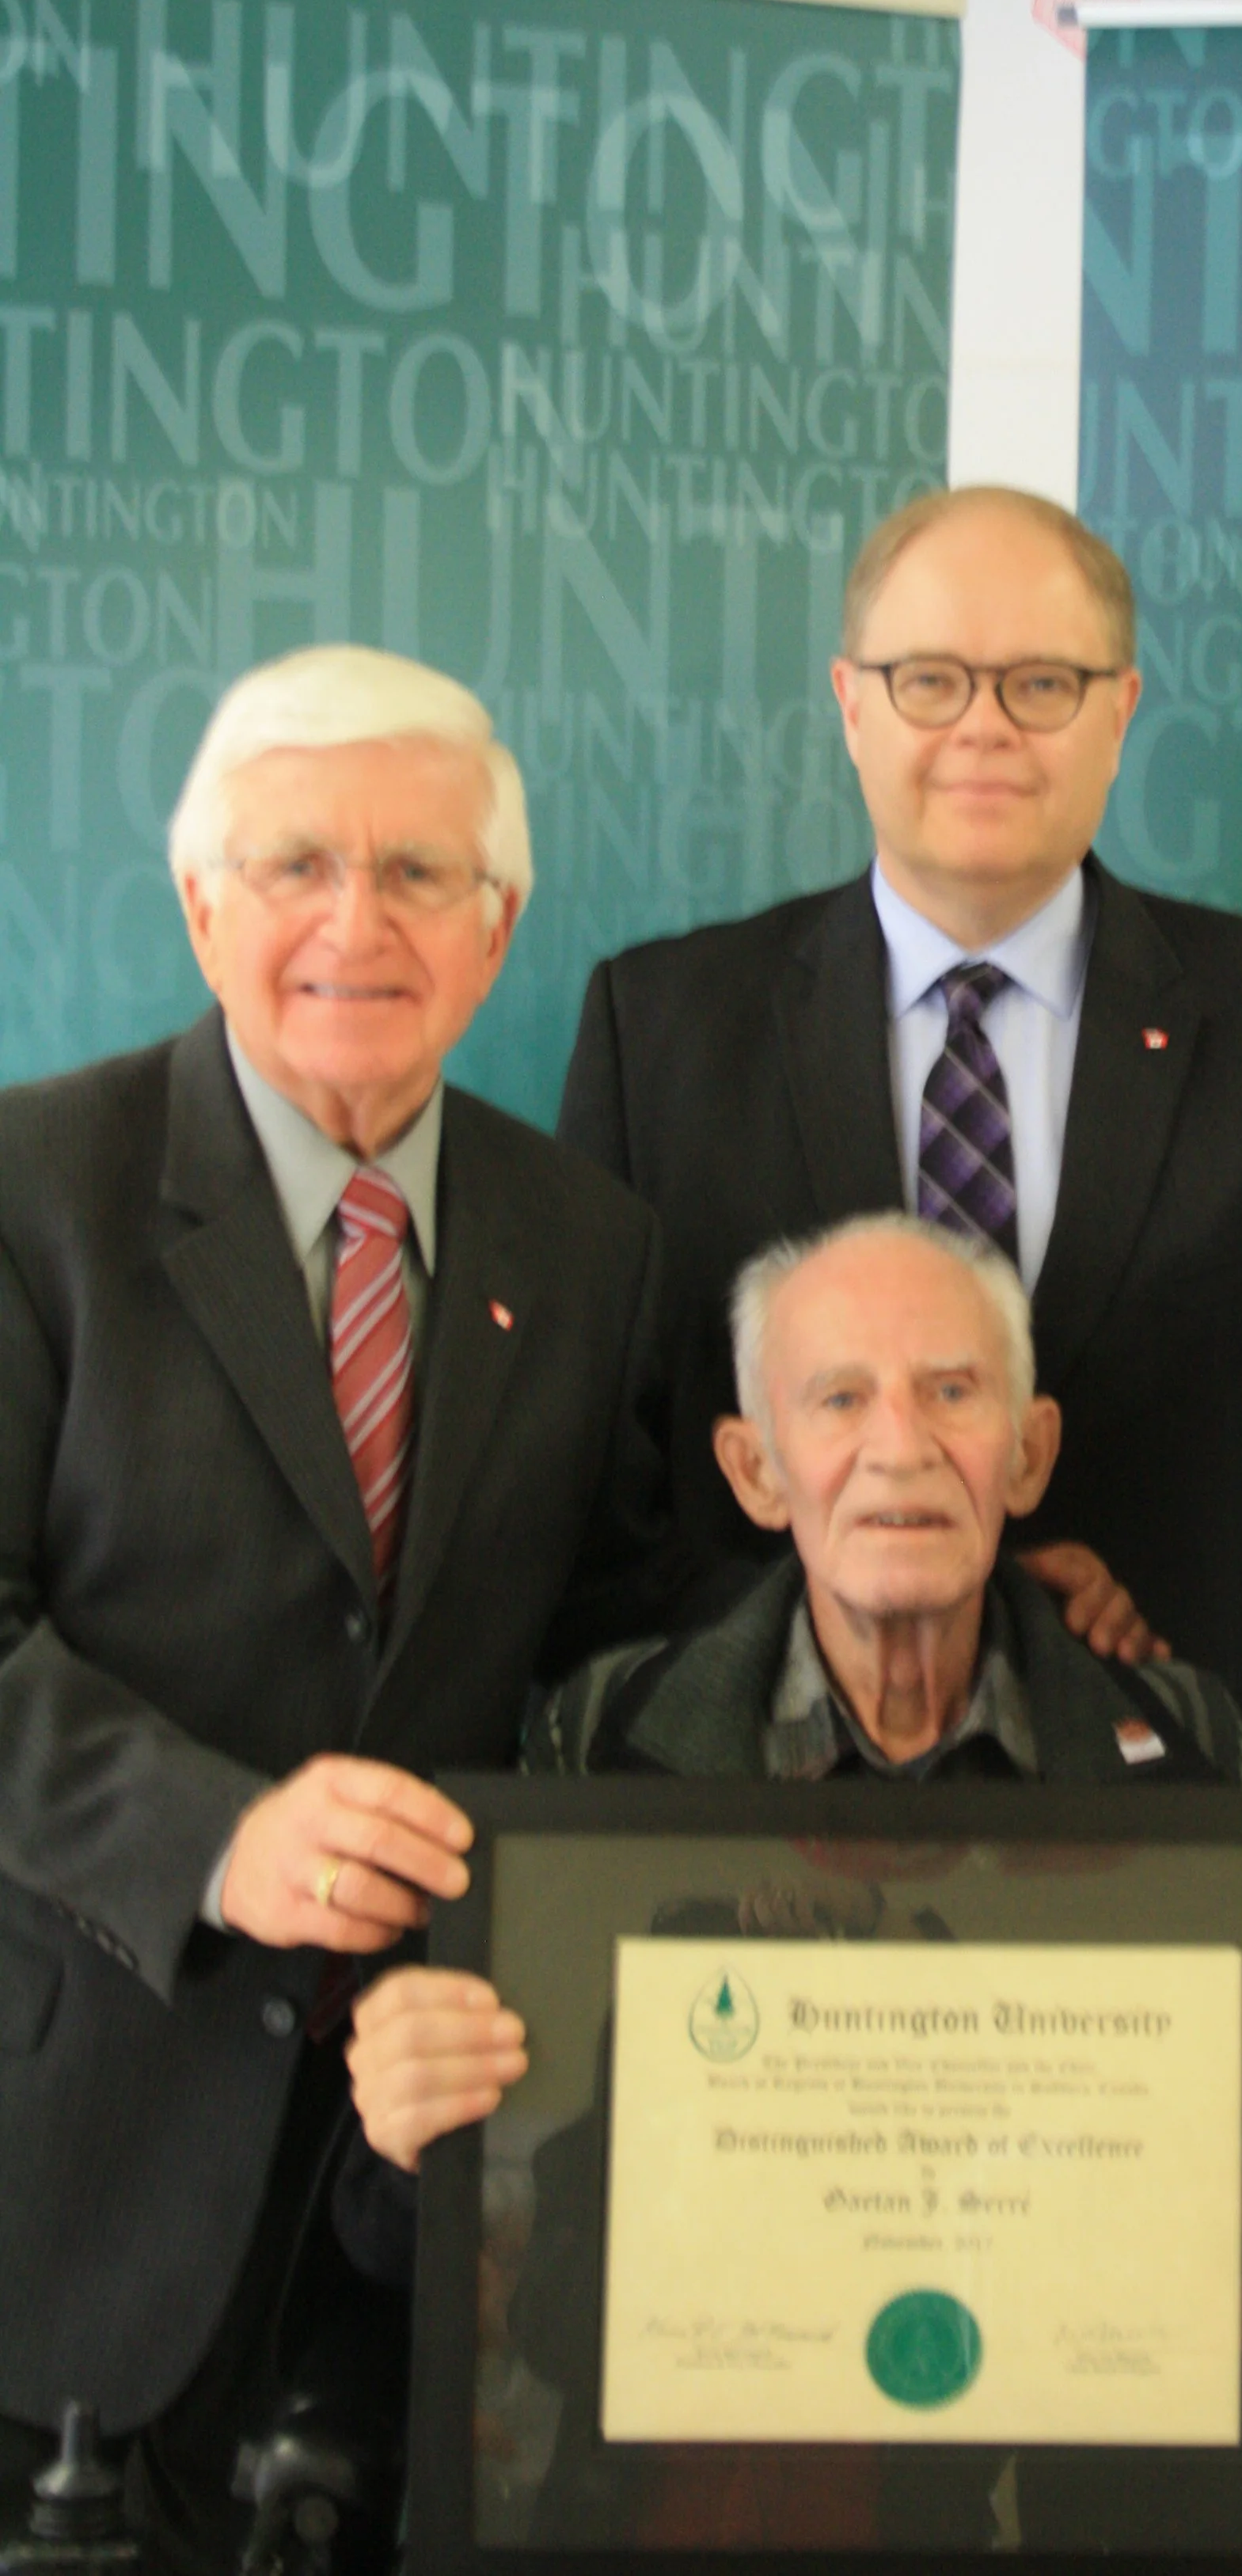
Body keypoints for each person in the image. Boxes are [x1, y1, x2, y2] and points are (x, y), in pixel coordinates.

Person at [348, 1214, 1242, 2501]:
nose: (900, 1446)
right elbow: (475, 2243)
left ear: (1026, 1453)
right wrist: (416, 2147)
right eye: (838, 1396)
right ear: (755, 1469)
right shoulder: (595, 1747)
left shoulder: (1194, 1751)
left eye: (952, 1391)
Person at [0, 647, 682, 2571]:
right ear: (202, 907)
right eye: (296, 866)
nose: (353, 923)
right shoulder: (31, 1189)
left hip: (441, 2185)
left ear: (499, 927)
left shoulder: (594, 1246)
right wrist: (222, 1836)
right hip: (73, 2186)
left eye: (416, 874)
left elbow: (610, 1655)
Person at [557, 485, 1242, 1742]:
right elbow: (602, 1487)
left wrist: (1160, 1663)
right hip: (766, 1801)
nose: (986, 728)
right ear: (852, 706)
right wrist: (847, 1628)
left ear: (1119, 712)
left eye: (1042, 684)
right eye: (931, 681)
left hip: (1183, 1794)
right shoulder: (664, 1028)